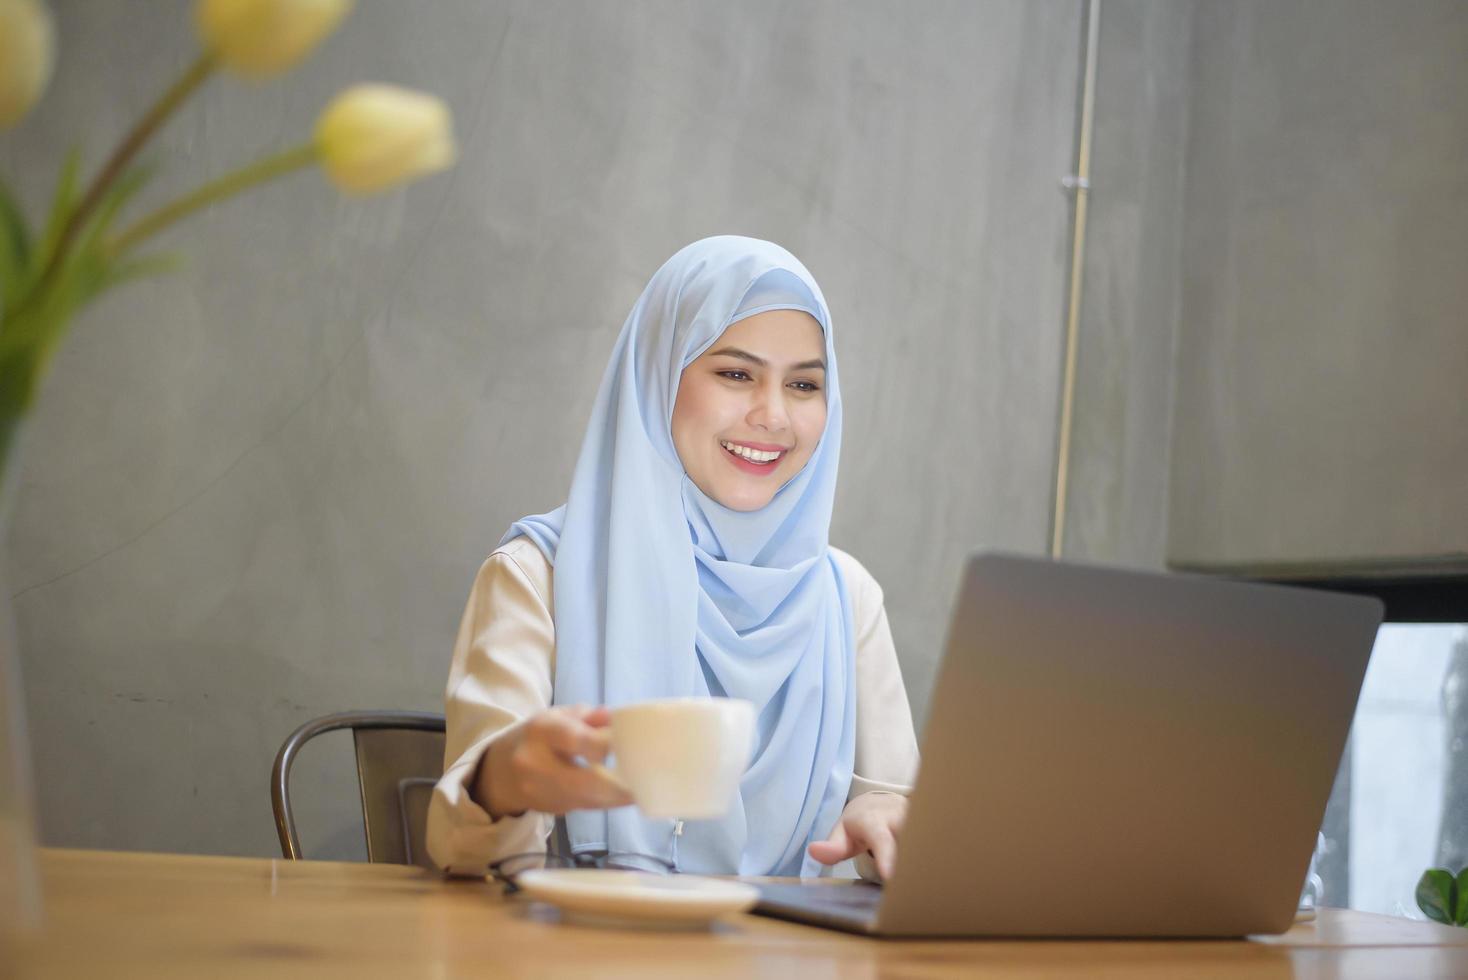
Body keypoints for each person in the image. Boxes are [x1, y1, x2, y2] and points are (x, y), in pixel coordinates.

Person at [426, 236, 918, 880]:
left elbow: (903, 832)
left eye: (803, 384)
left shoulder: (845, 598)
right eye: (736, 374)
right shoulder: (540, 574)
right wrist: (501, 781)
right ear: (658, 374)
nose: (773, 416)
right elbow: (461, 852)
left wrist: (889, 818)